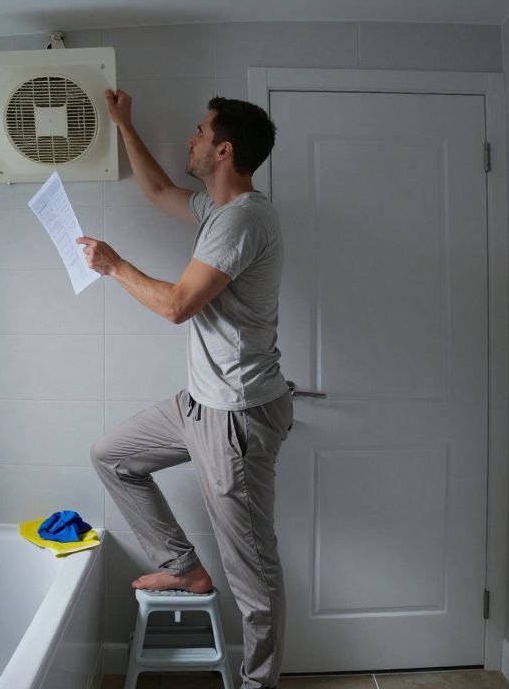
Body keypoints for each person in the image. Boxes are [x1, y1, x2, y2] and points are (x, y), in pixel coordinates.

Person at [82, 91, 292, 689]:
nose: (190, 140)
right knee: (112, 456)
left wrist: (115, 266)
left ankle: (259, 684)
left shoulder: (244, 220)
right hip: (201, 402)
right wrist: (124, 122)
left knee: (252, 570)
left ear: (224, 151)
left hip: (238, 416)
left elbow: (177, 305)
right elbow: (155, 190)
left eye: (200, 132)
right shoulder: (217, 211)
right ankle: (183, 568)